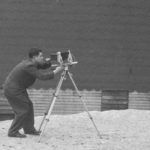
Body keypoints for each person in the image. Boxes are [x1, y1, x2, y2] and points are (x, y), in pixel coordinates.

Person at [3, 48, 64, 138]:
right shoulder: (29, 66)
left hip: (17, 88)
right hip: (13, 89)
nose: (43, 58)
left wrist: (52, 61)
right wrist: (57, 70)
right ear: (35, 57)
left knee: (29, 106)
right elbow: (43, 76)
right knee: (22, 110)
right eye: (41, 56)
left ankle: (29, 129)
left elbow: (43, 65)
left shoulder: (32, 63)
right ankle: (13, 132)